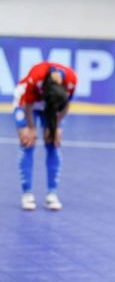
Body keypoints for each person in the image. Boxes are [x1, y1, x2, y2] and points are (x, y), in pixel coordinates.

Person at [13, 62, 77, 211]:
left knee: (53, 143)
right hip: (26, 103)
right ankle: (27, 194)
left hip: (52, 104)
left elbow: (66, 104)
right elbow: (28, 104)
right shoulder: (36, 76)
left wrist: (56, 126)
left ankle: (52, 194)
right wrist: (31, 128)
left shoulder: (71, 80)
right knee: (27, 143)